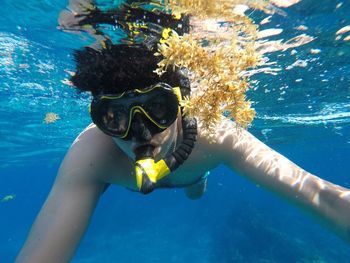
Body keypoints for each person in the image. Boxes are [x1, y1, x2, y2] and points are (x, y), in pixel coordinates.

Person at [16, 1, 350, 262]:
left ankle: (197, 179)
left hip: (193, 172)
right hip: (154, 175)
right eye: (115, 117)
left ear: (181, 104)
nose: (141, 133)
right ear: (99, 119)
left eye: (158, 108)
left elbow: (322, 197)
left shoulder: (216, 136)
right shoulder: (91, 155)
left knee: (195, 187)